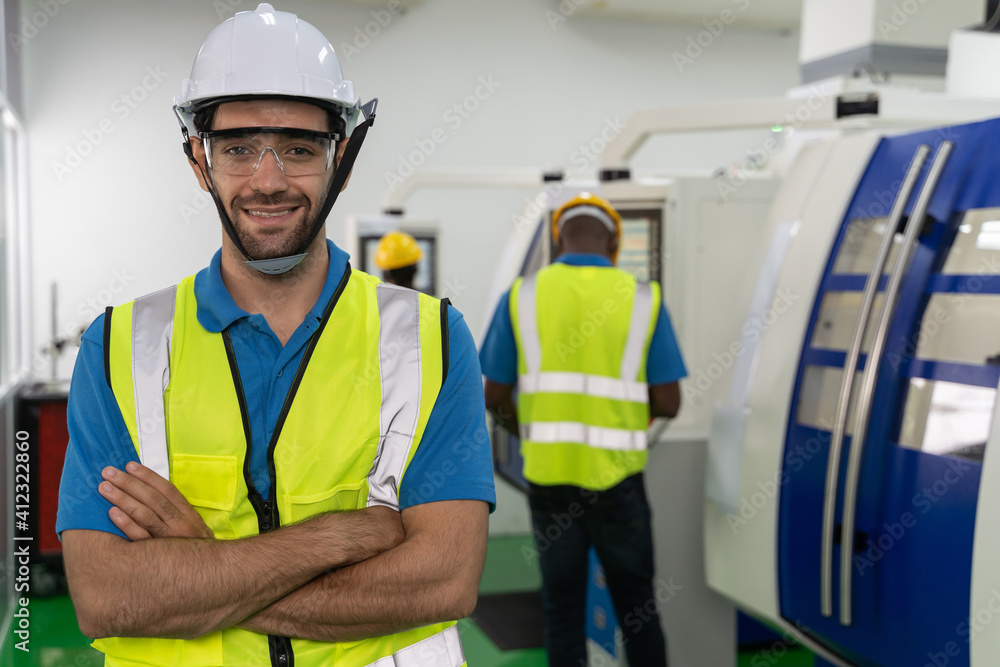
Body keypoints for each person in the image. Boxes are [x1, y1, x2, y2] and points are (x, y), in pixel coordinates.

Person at [56, 4, 495, 666]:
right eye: (237, 148)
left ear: (340, 157)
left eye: (298, 147)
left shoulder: (433, 339)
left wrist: (196, 569)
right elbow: (105, 596)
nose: (269, 180)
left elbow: (445, 579)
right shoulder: (119, 347)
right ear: (199, 163)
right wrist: (342, 537)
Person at [479, 192, 686, 666]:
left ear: (558, 240)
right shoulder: (643, 298)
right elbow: (669, 401)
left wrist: (532, 428)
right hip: (620, 483)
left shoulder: (523, 296)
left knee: (562, 609)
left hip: (550, 480)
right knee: (638, 608)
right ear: (613, 243)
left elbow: (494, 396)